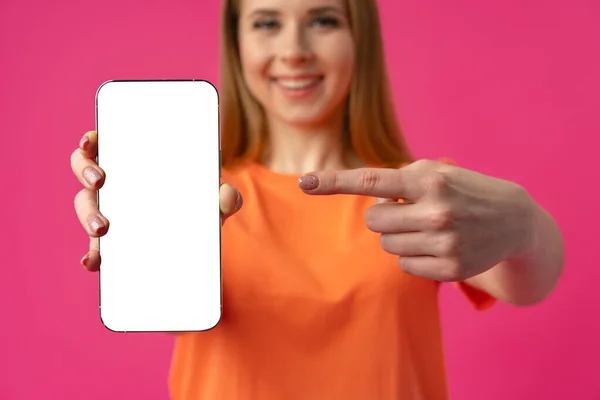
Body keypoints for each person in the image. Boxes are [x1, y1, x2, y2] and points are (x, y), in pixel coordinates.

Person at [70, 0, 565, 398]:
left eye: (323, 20)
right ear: (237, 42)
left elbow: (529, 284)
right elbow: (158, 318)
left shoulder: (420, 192)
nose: (294, 51)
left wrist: (527, 226)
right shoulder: (196, 195)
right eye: (267, 22)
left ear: (360, 40)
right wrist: (133, 246)